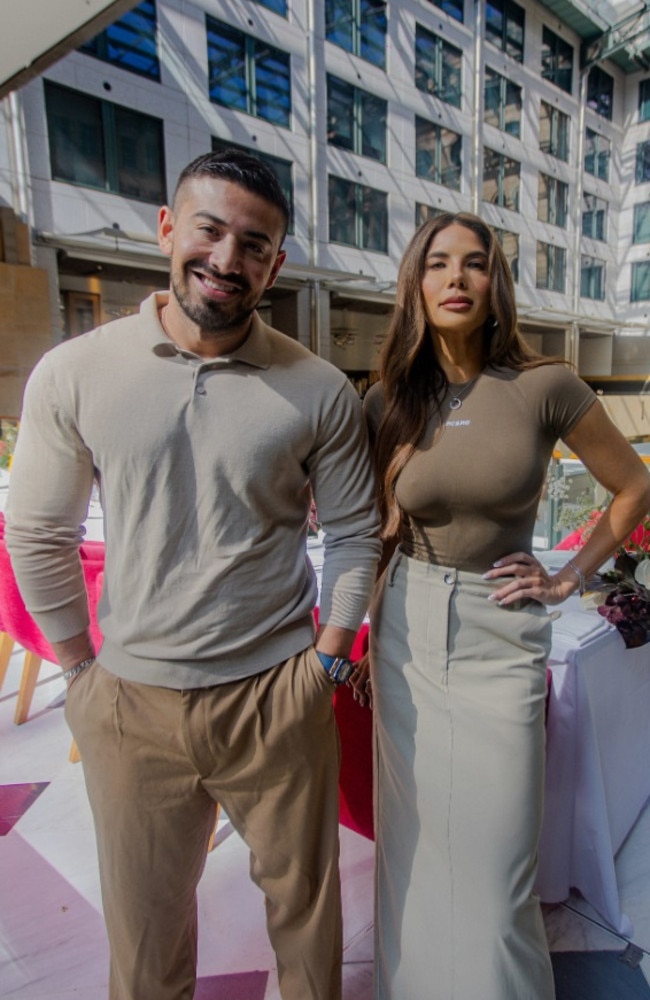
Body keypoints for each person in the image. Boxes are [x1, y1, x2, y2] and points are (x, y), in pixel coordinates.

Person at [5, 149, 381, 1000]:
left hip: (274, 697)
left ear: (276, 263)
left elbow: (357, 534)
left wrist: (323, 663)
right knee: (144, 944)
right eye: (210, 230)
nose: (227, 258)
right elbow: (37, 532)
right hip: (131, 703)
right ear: (168, 229)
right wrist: (78, 670)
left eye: (255, 243)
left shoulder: (318, 388)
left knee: (306, 923)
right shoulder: (76, 372)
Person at [361, 212, 650, 1000]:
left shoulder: (544, 384)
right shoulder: (390, 398)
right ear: (416, 284)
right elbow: (379, 531)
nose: (456, 278)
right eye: (439, 263)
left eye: (476, 264)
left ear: (497, 287)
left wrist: (569, 578)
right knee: (412, 848)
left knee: (495, 868)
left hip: (500, 631)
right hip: (405, 632)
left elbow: (635, 485)